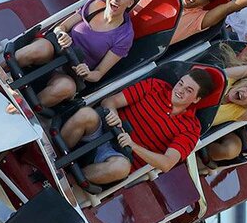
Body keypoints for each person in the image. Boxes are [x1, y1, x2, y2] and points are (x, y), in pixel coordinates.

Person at [11, 0, 154, 107]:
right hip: (55, 52)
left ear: (130, 3)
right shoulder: (94, 5)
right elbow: (62, 26)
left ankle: (23, 107)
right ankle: (3, 72)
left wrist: (87, 73)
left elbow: (98, 74)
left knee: (65, 88)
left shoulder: (124, 35)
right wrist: (61, 34)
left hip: (70, 72)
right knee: (40, 48)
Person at [58, 69, 218, 185]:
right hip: (104, 130)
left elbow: (167, 163)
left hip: (119, 156)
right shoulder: (155, 86)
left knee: (121, 168)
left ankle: (66, 180)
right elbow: (110, 102)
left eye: (188, 90)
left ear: (196, 99)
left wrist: (132, 146)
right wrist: (113, 113)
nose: (179, 90)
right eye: (180, 83)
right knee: (86, 114)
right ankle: (54, 153)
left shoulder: (191, 128)